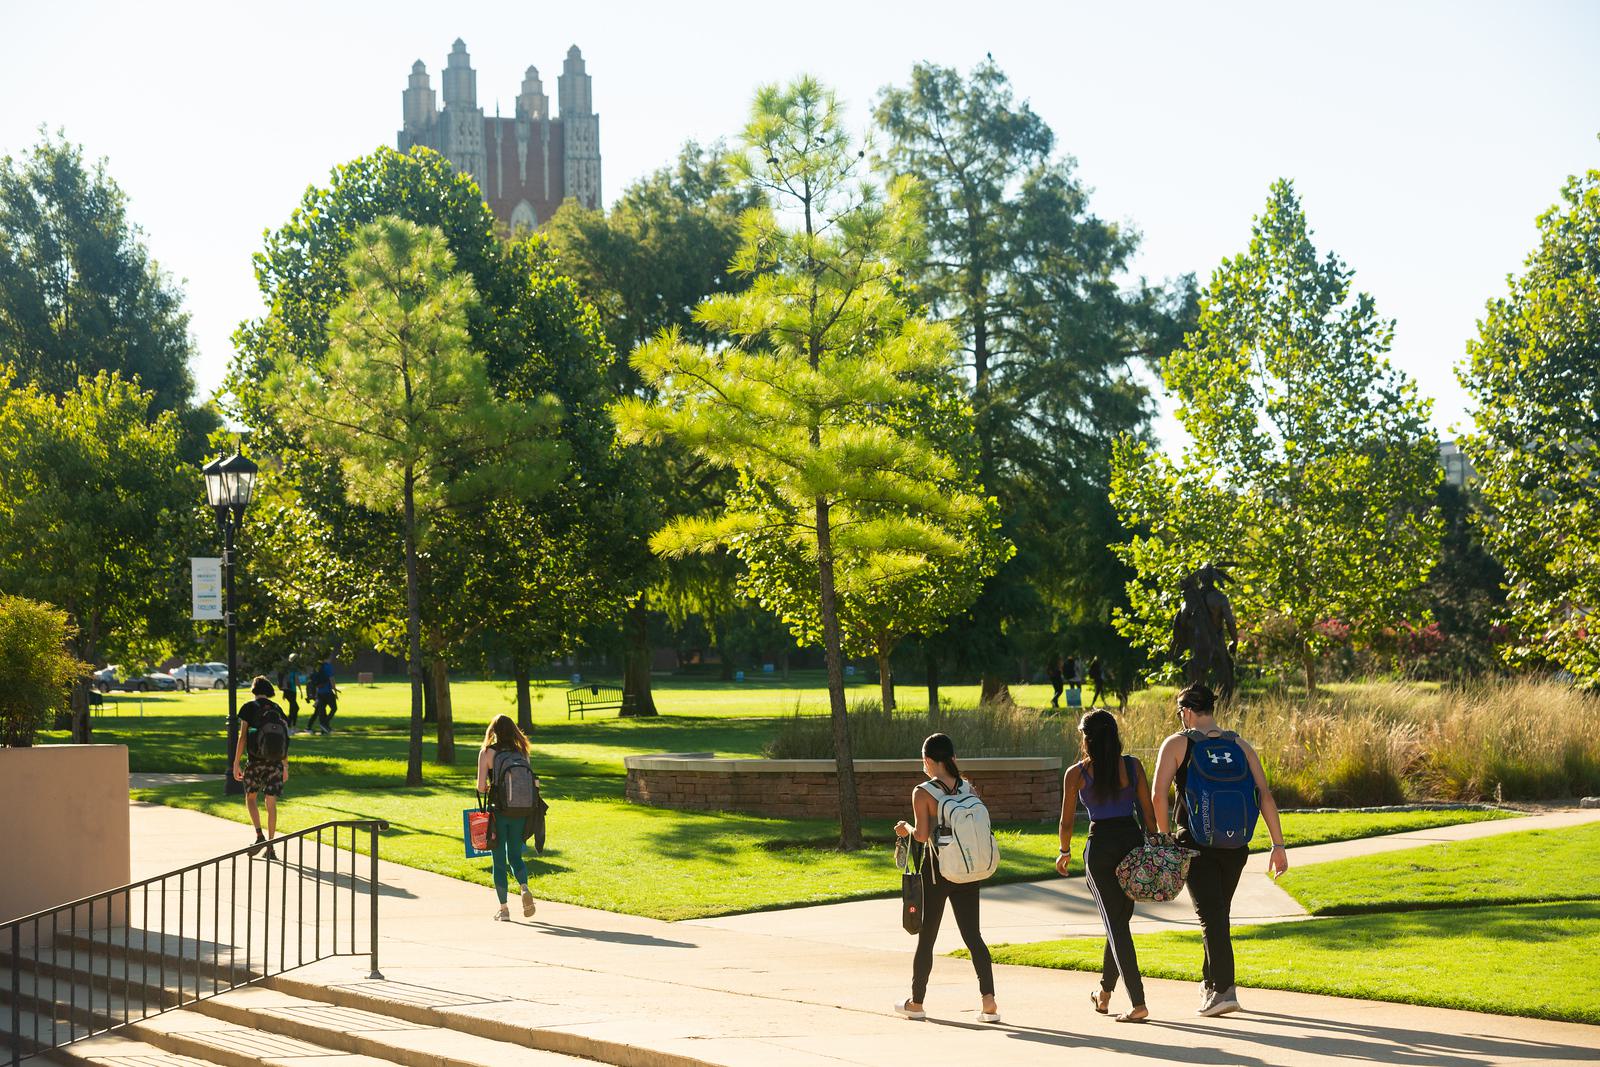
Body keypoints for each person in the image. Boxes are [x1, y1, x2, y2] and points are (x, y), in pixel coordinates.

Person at [1151, 682, 1288, 1017]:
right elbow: (1264, 795)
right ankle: (1210, 983)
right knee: (1216, 915)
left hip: (1195, 843)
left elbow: (1158, 795)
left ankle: (1224, 990)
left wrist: (1165, 839)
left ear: (1185, 711)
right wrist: (1278, 845)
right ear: (1210, 709)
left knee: (1211, 916)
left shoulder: (1177, 743)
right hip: (1236, 846)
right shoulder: (1240, 744)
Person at [892, 733, 999, 1024]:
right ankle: (988, 1001)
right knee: (972, 935)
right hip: (968, 870)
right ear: (951, 758)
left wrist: (906, 829)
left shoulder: (923, 792)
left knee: (927, 937)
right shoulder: (967, 787)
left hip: (937, 871)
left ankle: (916, 1002)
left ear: (928, 761)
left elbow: (922, 835)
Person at [1058, 710, 1157, 1022]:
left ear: (1087, 739)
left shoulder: (1077, 773)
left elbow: (1065, 822)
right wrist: (1153, 846)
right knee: (1118, 923)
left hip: (1100, 847)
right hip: (1132, 843)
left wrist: (1064, 851)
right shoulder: (1132, 765)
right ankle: (1104, 994)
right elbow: (1148, 813)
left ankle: (1138, 1002)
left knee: (1116, 926)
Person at [476, 714, 539, 921]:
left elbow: (480, 787)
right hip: (520, 811)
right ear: (514, 731)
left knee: (498, 860)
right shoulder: (521, 751)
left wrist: (487, 786)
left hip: (498, 812)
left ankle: (504, 909)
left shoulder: (487, 753)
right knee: (515, 856)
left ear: (493, 731)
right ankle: (523, 887)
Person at [232, 676, 291, 859]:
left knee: (251, 798)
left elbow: (242, 737)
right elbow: (284, 739)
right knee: (271, 802)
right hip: (275, 763)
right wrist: (285, 765)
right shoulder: (277, 709)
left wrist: (236, 763)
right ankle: (271, 847)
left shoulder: (249, 707)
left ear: (254, 690)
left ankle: (259, 835)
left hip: (255, 762)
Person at [307, 657, 338, 735]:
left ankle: (323, 730)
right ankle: (324, 724)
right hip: (327, 691)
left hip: (320, 692)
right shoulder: (328, 666)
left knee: (322, 710)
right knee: (334, 708)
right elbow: (331, 678)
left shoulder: (319, 666)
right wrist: (334, 689)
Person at [278, 654, 301, 731]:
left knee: (294, 708)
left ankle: (292, 726)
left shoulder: (287, 668)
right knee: (294, 708)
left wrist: (284, 692)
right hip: (291, 691)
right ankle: (290, 726)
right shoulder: (293, 668)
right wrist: (300, 690)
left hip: (289, 691)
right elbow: (296, 680)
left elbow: (285, 680)